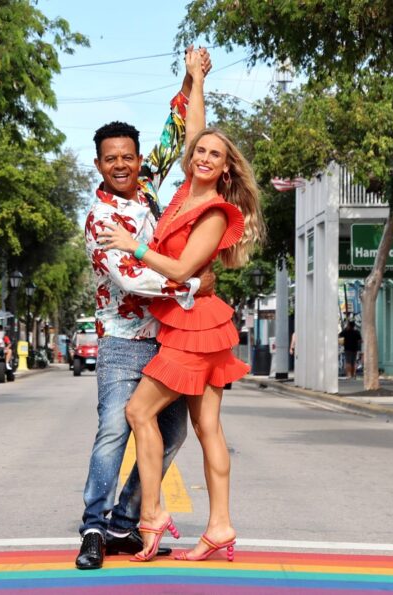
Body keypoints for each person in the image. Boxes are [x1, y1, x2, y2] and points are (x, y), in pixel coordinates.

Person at [99, 55, 265, 563]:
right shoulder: (180, 194)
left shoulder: (215, 209)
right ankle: (218, 527)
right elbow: (195, 127)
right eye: (203, 152)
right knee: (206, 428)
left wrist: (132, 243)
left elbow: (182, 271)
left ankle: (153, 515)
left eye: (217, 154)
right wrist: (198, 80)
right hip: (197, 319)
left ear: (227, 166)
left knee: (137, 411)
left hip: (195, 324)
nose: (206, 156)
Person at [76, 47, 213, 571]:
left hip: (171, 338)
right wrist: (190, 283)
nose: (120, 165)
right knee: (115, 429)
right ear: (99, 164)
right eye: (110, 158)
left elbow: (177, 125)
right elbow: (131, 278)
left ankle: (124, 522)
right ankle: (93, 524)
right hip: (122, 342)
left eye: (127, 157)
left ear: (137, 160)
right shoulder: (98, 219)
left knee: (174, 433)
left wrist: (190, 75)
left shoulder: (151, 192)